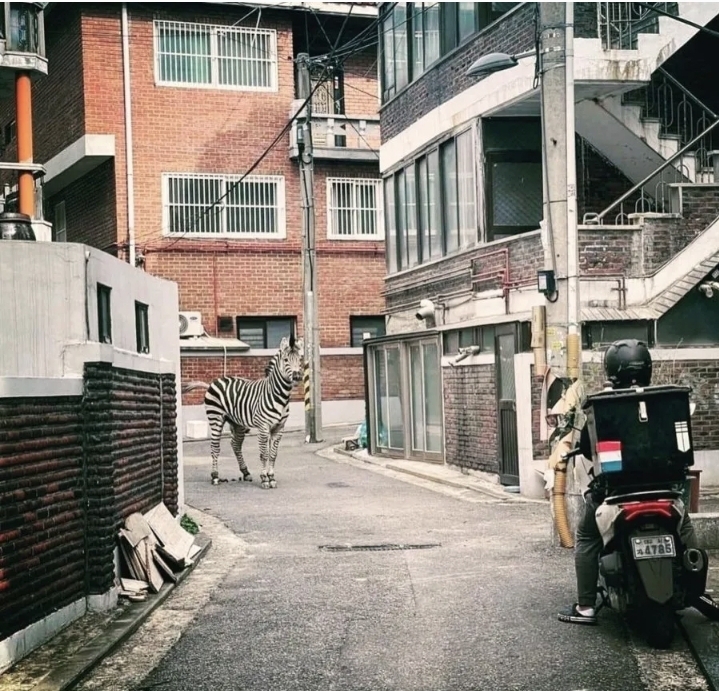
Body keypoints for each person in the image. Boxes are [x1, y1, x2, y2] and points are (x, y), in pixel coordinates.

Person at [557, 339, 718, 625]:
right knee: (685, 528)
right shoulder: (667, 400)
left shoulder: (603, 406)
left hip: (616, 492)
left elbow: (587, 449)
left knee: (586, 537)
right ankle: (698, 591)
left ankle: (586, 607)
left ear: (611, 370)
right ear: (647, 368)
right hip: (665, 490)